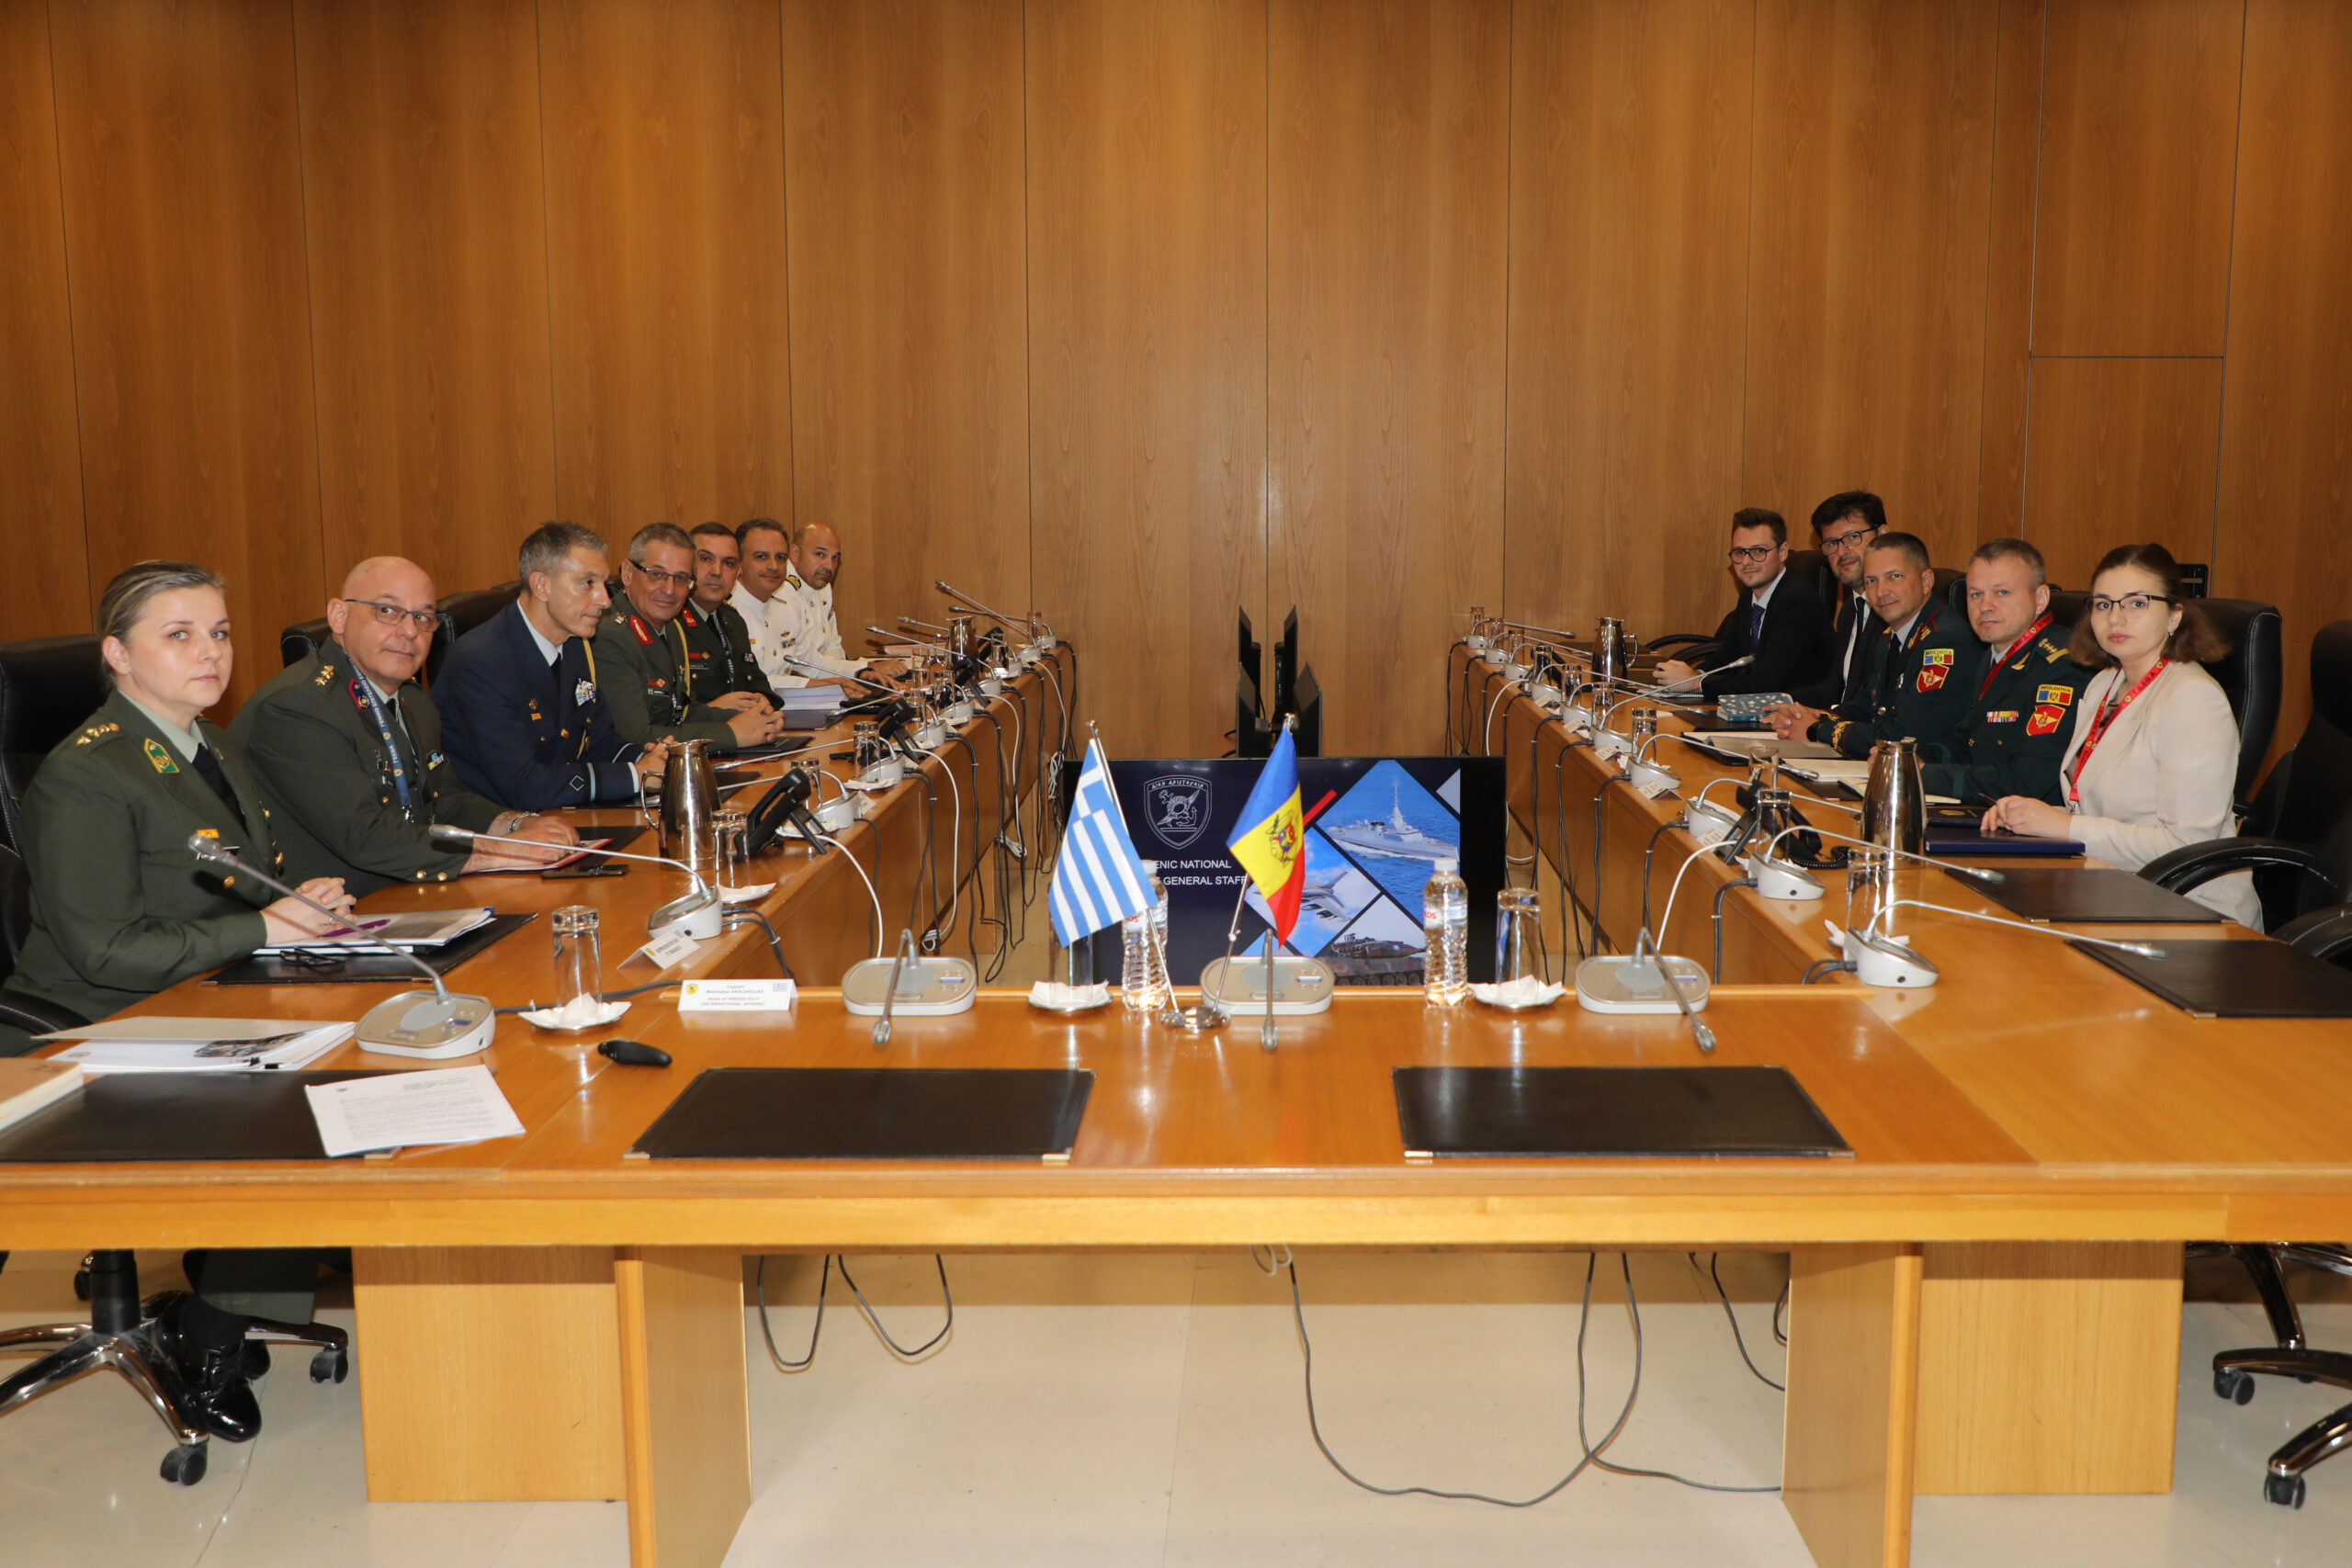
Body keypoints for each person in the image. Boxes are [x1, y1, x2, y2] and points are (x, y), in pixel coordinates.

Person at [0, 561, 359, 1441]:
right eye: (180, 634)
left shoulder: (209, 743)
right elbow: (105, 949)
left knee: (356, 1061)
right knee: (301, 1109)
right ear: (118, 655)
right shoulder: (87, 773)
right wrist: (265, 928)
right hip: (87, 1027)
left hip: (194, 997)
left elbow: (223, 885)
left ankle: (230, 1286)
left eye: (220, 632)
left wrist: (293, 902)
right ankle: (208, 1334)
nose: (211, 652)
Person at [232, 557, 578, 896]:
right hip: (337, 914)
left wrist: (518, 824)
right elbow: (366, 837)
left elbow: (446, 801)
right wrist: (506, 852)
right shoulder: (298, 706)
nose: (410, 631)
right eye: (387, 611)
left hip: (407, 892)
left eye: (423, 617)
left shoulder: (413, 700)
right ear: (339, 616)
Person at [1983, 543, 2260, 927]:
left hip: (2186, 911)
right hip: (2107, 888)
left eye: (2137, 603)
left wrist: (2064, 827)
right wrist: (2027, 815)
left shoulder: (2193, 699)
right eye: (2103, 604)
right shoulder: (2104, 683)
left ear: (2175, 615)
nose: (2115, 618)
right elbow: (2098, 811)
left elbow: (2187, 846)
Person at [433, 522, 669, 809]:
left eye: (604, 585)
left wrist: (651, 758)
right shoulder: (480, 663)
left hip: (559, 813)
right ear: (542, 586)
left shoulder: (574, 644)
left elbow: (598, 740)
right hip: (499, 824)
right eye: (588, 583)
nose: (605, 601)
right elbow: (525, 786)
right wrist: (636, 776)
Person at [1916, 539, 2093, 805]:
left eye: (2001, 593)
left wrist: (1925, 776)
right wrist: (1910, 757)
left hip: (2032, 822)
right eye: (1975, 594)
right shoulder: (1995, 653)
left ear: (2040, 599)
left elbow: (2025, 780)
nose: (1985, 606)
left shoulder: (2063, 667)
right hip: (1988, 809)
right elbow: (1967, 741)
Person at [1767, 531, 1973, 757]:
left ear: (1926, 581)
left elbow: (1903, 737)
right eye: (1871, 581)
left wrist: (1818, 729)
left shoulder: (1944, 642)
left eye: (1894, 577)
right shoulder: (1890, 637)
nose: (1881, 592)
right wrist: (1808, 718)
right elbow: (1864, 708)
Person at [593, 524, 786, 752]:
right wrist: (732, 733)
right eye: (657, 575)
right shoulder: (610, 634)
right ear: (627, 573)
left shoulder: (671, 628)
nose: (669, 590)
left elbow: (679, 713)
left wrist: (754, 720)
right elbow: (636, 737)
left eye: (681, 578)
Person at [1655, 508, 1837, 699]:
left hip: (1799, 709)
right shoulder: (1750, 594)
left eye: (1759, 551)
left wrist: (1695, 684)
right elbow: (1727, 656)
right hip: (1761, 706)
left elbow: (1767, 684)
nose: (1747, 562)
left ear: (1782, 553)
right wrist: (1693, 675)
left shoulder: (1797, 601)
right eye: (1740, 552)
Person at [1790, 491, 1884, 710]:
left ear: (1882, 534)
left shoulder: (1894, 612)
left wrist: (1823, 722)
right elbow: (1835, 690)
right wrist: (1778, 701)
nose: (1842, 552)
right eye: (1832, 543)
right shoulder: (1850, 609)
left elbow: (1875, 703)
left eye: (1853, 537)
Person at [679, 521, 780, 706]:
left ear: (738, 571)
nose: (717, 571)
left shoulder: (733, 620)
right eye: (706, 559)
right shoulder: (671, 620)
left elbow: (756, 681)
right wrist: (718, 710)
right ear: (685, 563)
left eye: (728, 563)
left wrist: (762, 703)